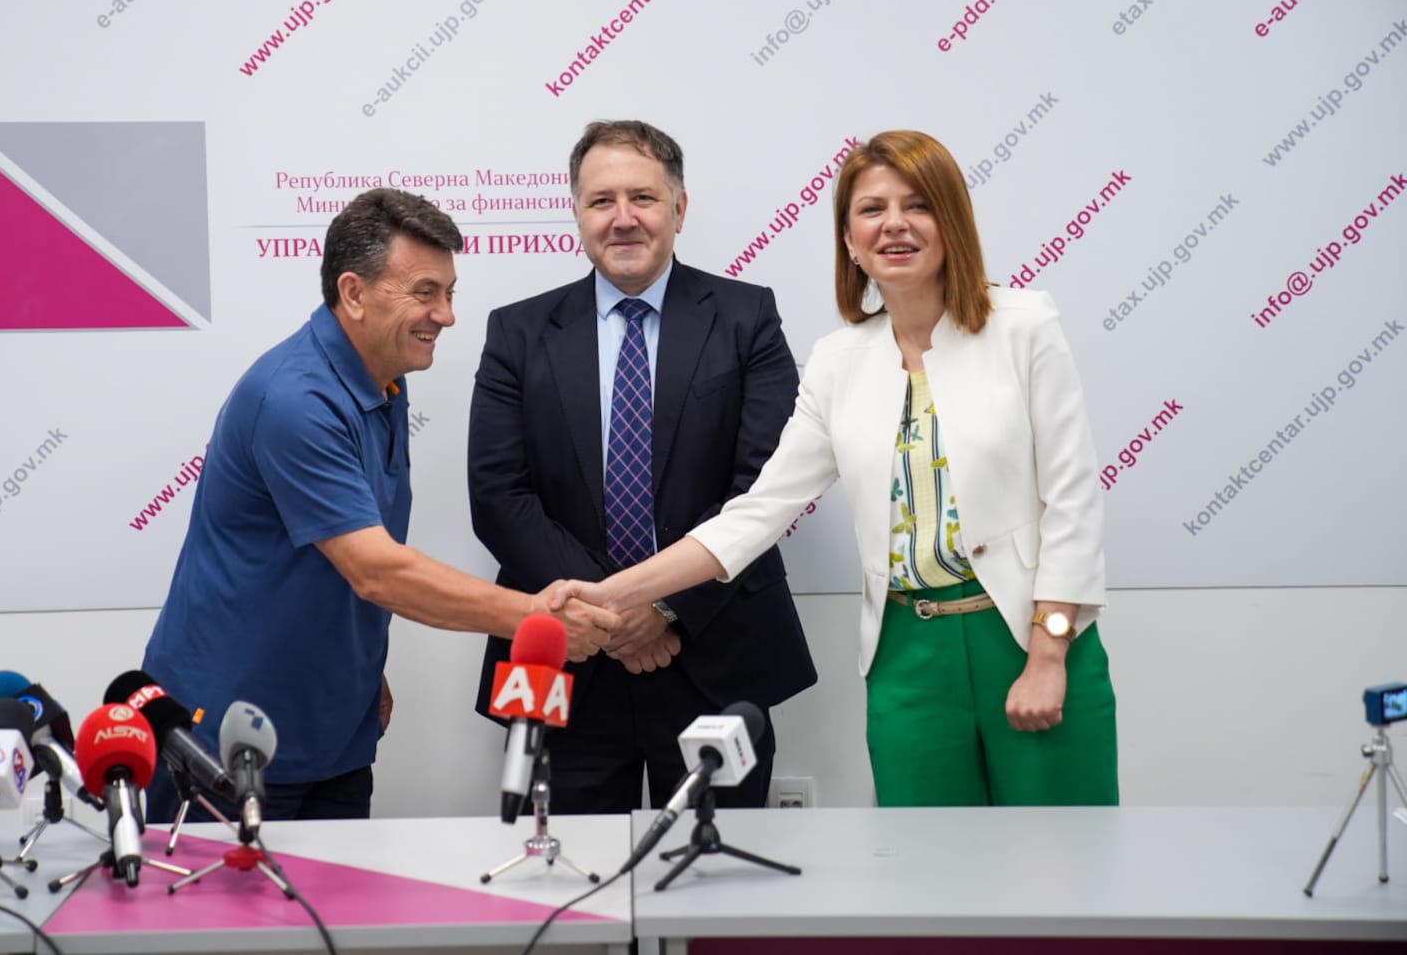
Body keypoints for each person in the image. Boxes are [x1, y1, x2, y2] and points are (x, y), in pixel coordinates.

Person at [570, 131, 1118, 807]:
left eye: (918, 205)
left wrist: (1050, 652)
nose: (894, 224)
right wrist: (609, 594)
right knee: (926, 866)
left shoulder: (1024, 325)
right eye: (871, 209)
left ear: (952, 220)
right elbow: (755, 515)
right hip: (906, 655)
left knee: (1060, 860)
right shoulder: (838, 360)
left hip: (1028, 637)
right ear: (849, 240)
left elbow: (1072, 500)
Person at [141, 188, 618, 823]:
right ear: (354, 293)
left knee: (338, 893)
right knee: (228, 893)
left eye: (449, 293)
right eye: (425, 292)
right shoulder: (295, 399)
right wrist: (535, 619)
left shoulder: (384, 382)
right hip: (226, 738)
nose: (446, 315)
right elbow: (377, 571)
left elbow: (346, 556)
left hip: (336, 729)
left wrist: (358, 670)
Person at [468, 120, 817, 813]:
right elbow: (498, 496)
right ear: (577, 212)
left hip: (713, 649)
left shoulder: (746, 317)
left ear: (678, 210)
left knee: (719, 868)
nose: (622, 218)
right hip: (566, 655)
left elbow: (763, 488)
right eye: (602, 200)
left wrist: (664, 606)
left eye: (643, 198)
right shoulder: (518, 331)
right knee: (567, 866)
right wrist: (610, 615)